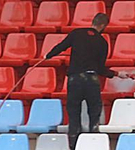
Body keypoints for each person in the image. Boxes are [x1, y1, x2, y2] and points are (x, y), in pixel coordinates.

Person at [46, 12, 112, 140]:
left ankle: (73, 145)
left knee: (73, 113)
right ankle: (93, 142)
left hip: (75, 79)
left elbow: (61, 46)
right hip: (92, 80)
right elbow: (101, 69)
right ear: (103, 26)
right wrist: (115, 74)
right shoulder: (103, 42)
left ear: (93, 21)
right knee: (94, 112)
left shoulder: (77, 33)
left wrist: (49, 55)